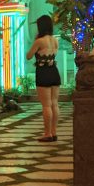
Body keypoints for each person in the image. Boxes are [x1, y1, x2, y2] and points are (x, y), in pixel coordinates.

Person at [26, 14, 61, 142]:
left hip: (43, 72)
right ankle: (54, 132)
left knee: (46, 105)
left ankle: (47, 134)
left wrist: (36, 43)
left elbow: (29, 56)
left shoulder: (39, 41)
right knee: (54, 103)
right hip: (54, 71)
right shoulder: (55, 40)